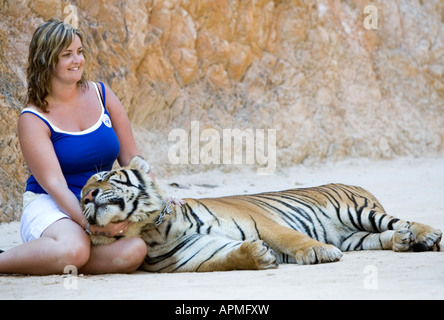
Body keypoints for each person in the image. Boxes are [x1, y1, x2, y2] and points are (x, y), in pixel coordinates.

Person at [0, 19, 183, 275]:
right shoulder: (32, 118)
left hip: (101, 201)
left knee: (135, 251)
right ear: (46, 60)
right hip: (52, 204)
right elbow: (56, 186)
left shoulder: (102, 94)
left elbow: (131, 155)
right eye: (67, 55)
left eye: (80, 52)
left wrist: (157, 194)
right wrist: (92, 226)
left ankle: (58, 258)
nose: (77, 60)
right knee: (74, 249)